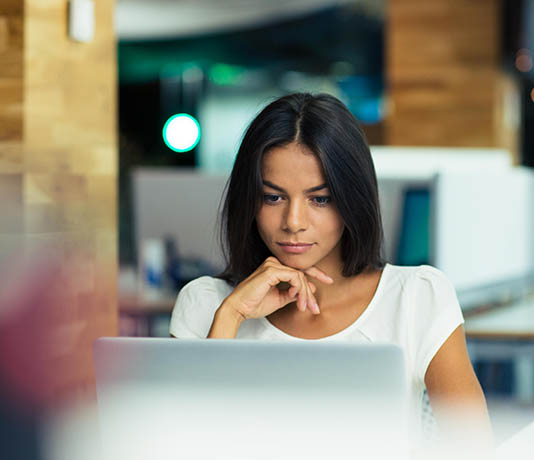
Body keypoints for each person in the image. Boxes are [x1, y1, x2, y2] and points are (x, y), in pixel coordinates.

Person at [169, 93, 492, 452]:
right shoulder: (204, 304)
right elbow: (179, 448)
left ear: (351, 199)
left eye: (319, 199)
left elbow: (475, 451)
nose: (293, 222)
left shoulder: (417, 296)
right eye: (272, 197)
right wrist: (231, 316)